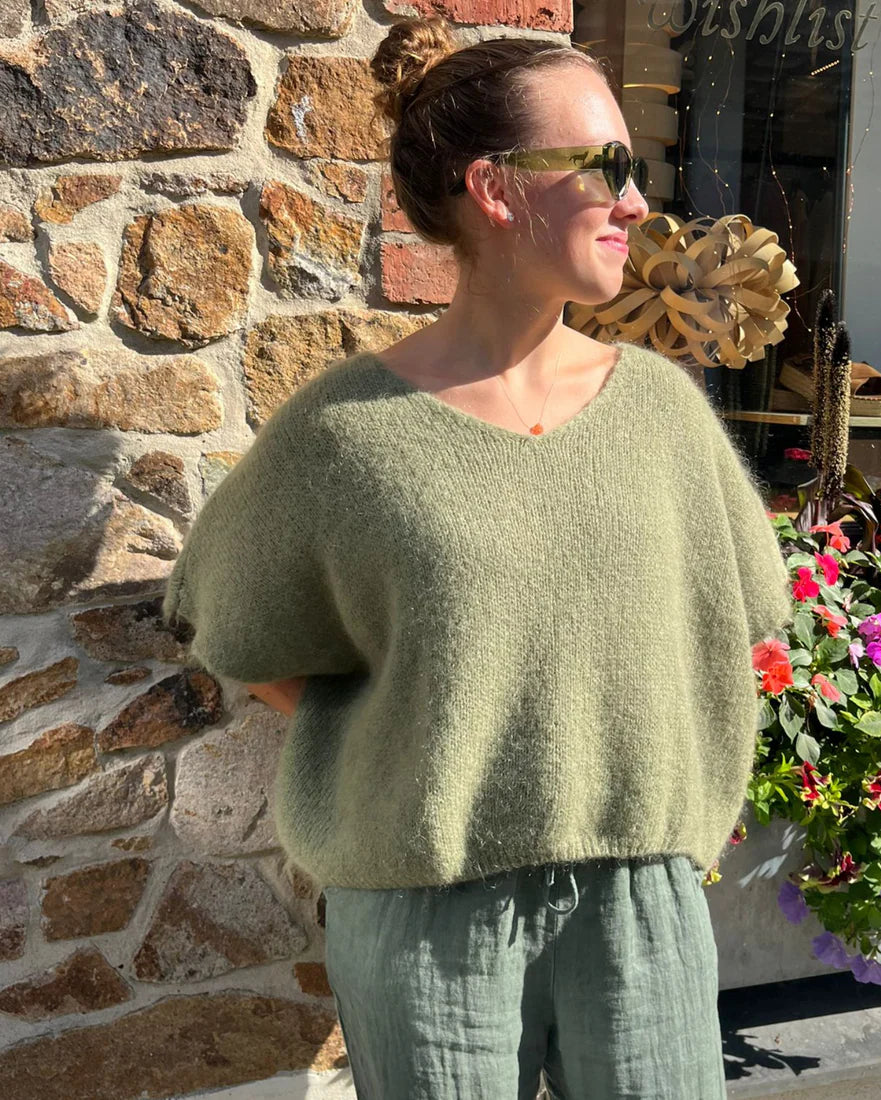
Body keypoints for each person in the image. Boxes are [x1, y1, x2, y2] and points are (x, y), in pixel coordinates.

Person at [161, 15, 792, 1100]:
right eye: (605, 166)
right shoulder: (345, 434)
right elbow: (236, 625)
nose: (635, 204)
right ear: (496, 189)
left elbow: (733, 624)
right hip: (426, 911)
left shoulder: (660, 415)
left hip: (638, 898)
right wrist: (402, 740)